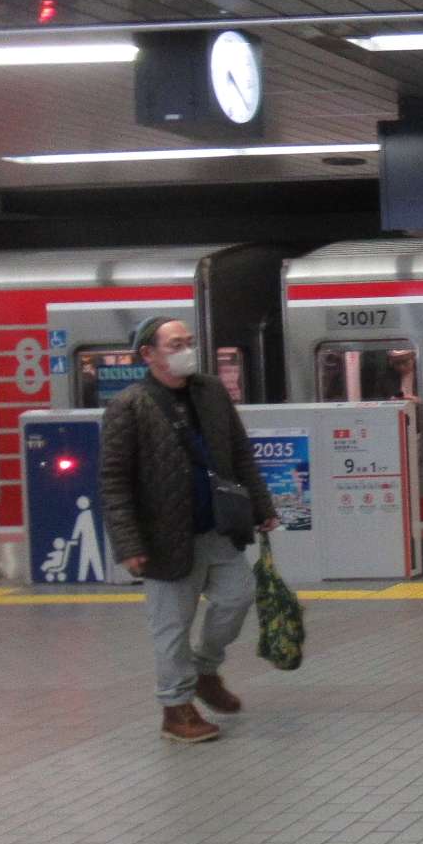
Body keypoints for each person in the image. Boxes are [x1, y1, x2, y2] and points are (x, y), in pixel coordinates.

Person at [101, 317, 278, 745]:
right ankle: (175, 708)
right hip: (163, 535)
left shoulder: (211, 392)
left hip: (217, 526)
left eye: (189, 342)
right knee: (172, 625)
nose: (187, 350)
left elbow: (239, 452)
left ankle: (203, 669)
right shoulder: (129, 405)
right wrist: (128, 543)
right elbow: (113, 479)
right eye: (176, 343)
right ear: (149, 353)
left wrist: (261, 506)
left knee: (238, 598)